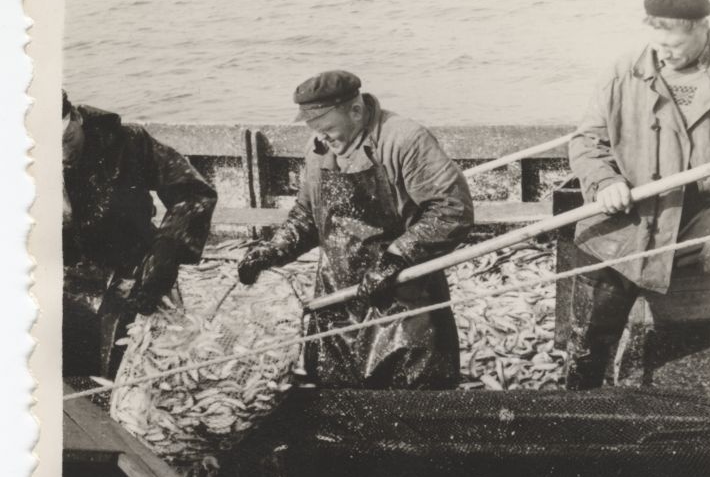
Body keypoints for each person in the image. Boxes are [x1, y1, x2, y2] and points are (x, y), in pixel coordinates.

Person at [237, 71, 474, 388]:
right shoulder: (319, 149)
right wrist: (274, 250)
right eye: (316, 131)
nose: (322, 139)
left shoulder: (404, 139)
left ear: (356, 111)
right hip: (338, 296)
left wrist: (394, 261)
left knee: (413, 394)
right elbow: (308, 213)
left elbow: (451, 209)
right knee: (335, 394)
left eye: (328, 129)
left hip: (402, 294)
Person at [565, 0, 710, 389]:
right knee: (597, 294)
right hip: (636, 212)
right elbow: (587, 141)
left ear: (702, 27)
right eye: (657, 43)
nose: (663, 53)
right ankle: (580, 394)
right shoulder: (625, 70)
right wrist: (605, 181)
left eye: (673, 46)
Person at [62, 91, 217, 377]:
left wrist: (167, 248)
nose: (62, 154)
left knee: (158, 369)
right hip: (62, 284)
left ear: (77, 117)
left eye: (67, 140)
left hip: (138, 272)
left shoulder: (127, 141)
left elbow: (193, 193)